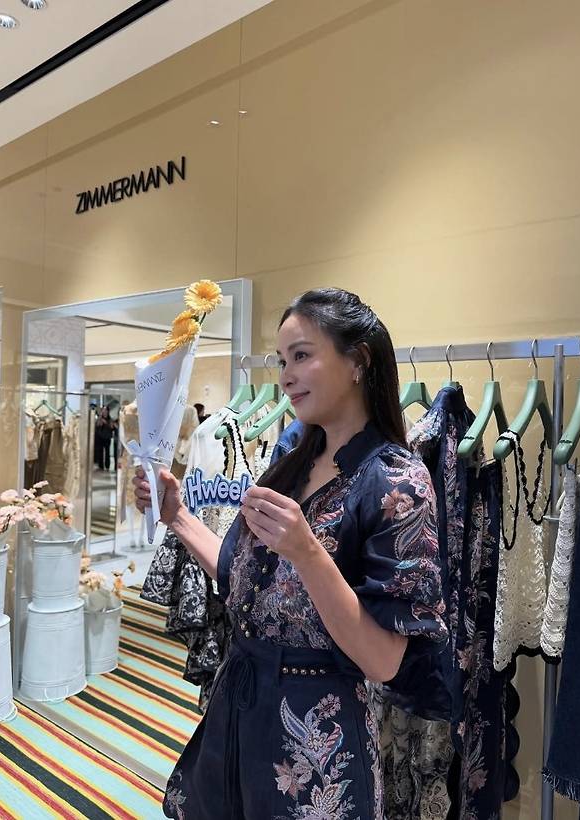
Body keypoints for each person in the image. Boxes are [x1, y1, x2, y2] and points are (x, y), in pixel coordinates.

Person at [133, 288, 448, 820]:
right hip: (240, 710)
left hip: (317, 737)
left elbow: (383, 660)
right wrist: (178, 516)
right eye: (282, 360)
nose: (285, 376)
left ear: (358, 361)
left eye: (301, 355)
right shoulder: (290, 461)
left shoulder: (397, 481)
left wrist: (308, 553)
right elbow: (238, 575)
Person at [95, 405, 116, 470]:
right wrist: (100, 418)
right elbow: (97, 425)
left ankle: (107, 466)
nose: (104, 412)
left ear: (108, 411)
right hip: (100, 437)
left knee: (107, 452)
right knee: (100, 452)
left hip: (107, 437)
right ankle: (101, 466)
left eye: (105, 410)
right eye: (103, 410)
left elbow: (112, 427)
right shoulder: (99, 418)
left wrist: (106, 423)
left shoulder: (110, 419)